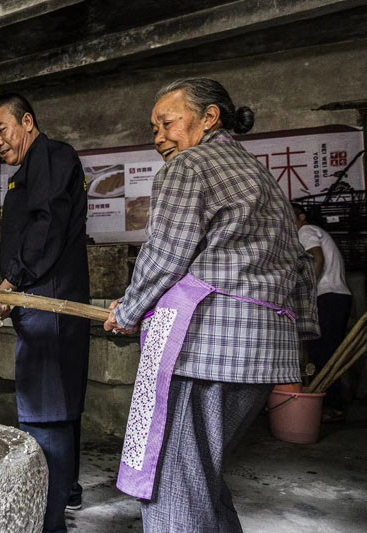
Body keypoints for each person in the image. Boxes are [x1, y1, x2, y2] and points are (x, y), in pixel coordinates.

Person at [103, 78, 319, 532]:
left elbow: (164, 255)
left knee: (171, 482)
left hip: (208, 350)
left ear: (209, 117)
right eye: (153, 127)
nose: (158, 135)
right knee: (200, 478)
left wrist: (127, 311)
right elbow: (301, 266)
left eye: (166, 122)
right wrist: (300, 338)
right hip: (263, 357)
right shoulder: (262, 177)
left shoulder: (190, 166)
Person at [0, 93, 90, 533]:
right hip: (40, 296)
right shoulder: (30, 170)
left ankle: (49, 524)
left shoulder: (50, 155)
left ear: (27, 121)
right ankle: (65, 493)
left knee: (45, 409)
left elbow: (48, 224)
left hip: (48, 299)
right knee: (59, 404)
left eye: (1, 129)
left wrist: (12, 282)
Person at [293, 203, 352, 412]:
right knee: (327, 353)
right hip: (336, 296)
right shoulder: (314, 231)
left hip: (328, 296)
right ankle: (331, 405)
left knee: (324, 354)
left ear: (302, 217)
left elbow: (317, 257)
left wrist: (309, 289)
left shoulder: (305, 230)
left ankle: (332, 406)